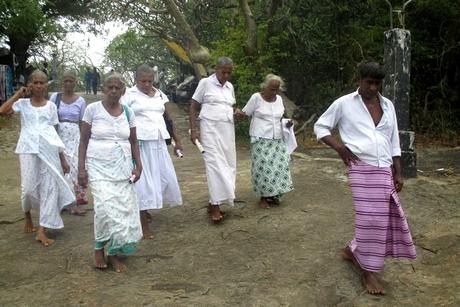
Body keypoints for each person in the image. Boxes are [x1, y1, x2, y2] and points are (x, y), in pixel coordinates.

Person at [313, 61, 416, 295]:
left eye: (377, 83)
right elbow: (321, 127)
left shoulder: (387, 105)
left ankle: (353, 250)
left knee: (382, 218)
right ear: (359, 80)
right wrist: (339, 148)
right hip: (360, 166)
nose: (372, 87)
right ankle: (369, 272)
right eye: (369, 82)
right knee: (371, 219)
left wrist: (398, 170)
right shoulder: (344, 104)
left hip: (384, 169)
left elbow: (393, 140)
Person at [0, 70, 75, 247]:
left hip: (49, 150)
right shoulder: (23, 104)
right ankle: (27, 215)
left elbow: (54, 133)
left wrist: (62, 159)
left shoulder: (51, 107)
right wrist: (18, 93)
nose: (39, 86)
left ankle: (42, 229)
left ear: (46, 85)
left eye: (42, 83)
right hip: (28, 148)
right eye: (36, 82)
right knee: (28, 187)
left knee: (49, 187)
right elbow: (3, 111)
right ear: (30, 85)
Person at [78, 73, 143, 272]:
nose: (114, 91)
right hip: (98, 166)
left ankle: (113, 253)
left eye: (118, 88)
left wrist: (138, 166)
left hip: (123, 168)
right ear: (103, 89)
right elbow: (83, 141)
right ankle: (99, 247)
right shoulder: (92, 110)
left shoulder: (128, 112)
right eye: (110, 87)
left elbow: (133, 141)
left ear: (123, 90)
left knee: (123, 210)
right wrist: (81, 169)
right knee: (105, 208)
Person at [122, 64, 183, 239]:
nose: (147, 84)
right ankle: (142, 225)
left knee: (161, 178)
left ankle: (146, 210)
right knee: (143, 182)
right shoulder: (128, 95)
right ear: (136, 80)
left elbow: (167, 118)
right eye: (143, 81)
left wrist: (176, 139)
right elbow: (122, 118)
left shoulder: (159, 94)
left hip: (158, 141)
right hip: (140, 142)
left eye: (150, 80)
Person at [189, 57, 244, 223]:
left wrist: (236, 112)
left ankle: (216, 199)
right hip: (210, 129)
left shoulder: (230, 87)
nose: (226, 75)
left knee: (228, 164)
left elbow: (227, 106)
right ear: (216, 69)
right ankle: (215, 206)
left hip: (227, 129)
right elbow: (193, 106)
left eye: (229, 72)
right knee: (214, 164)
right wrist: (194, 130)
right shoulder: (205, 83)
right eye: (223, 71)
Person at [242, 74, 294, 209]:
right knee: (262, 168)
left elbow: (280, 117)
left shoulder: (279, 100)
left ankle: (274, 194)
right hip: (260, 138)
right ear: (265, 86)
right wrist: (234, 113)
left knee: (279, 167)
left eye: (276, 89)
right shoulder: (256, 98)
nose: (274, 92)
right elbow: (245, 113)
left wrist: (287, 123)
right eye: (271, 89)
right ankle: (263, 197)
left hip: (277, 139)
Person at [50, 70, 88, 215]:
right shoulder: (55, 98)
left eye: (71, 81)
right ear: (62, 82)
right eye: (65, 81)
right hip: (58, 136)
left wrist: (84, 142)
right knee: (59, 167)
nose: (68, 83)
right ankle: (62, 202)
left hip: (75, 137)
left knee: (76, 168)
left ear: (75, 82)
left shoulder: (80, 101)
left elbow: (83, 123)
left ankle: (77, 203)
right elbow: (49, 117)